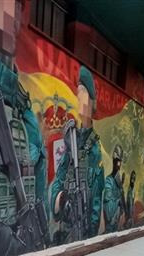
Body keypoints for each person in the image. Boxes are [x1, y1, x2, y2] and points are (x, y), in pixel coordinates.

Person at [50, 66, 105, 243]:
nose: (78, 97)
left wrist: (92, 232)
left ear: (91, 99)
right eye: (78, 92)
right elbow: (59, 177)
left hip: (83, 228)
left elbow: (97, 196)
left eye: (82, 92)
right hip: (66, 222)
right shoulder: (71, 138)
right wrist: (58, 198)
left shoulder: (95, 149)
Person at [103, 145, 126, 233]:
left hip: (117, 222)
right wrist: (117, 200)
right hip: (110, 223)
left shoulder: (118, 179)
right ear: (114, 162)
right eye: (117, 162)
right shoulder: (109, 180)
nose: (119, 165)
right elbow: (108, 205)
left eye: (120, 162)